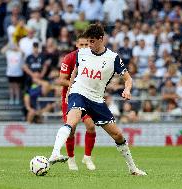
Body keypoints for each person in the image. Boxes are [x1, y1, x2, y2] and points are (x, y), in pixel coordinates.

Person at [48, 24, 147, 176]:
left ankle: (133, 169)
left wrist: (127, 89)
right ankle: (55, 153)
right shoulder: (82, 53)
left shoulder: (113, 58)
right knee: (71, 123)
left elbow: (128, 78)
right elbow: (74, 72)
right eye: (88, 41)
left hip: (96, 100)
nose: (90, 45)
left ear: (101, 39)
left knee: (118, 135)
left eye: (93, 41)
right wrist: (69, 91)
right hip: (79, 93)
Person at [56, 33, 96, 171]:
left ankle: (87, 157)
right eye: (82, 45)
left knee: (91, 126)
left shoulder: (94, 58)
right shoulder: (69, 58)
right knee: (71, 129)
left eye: (87, 44)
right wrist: (77, 84)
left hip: (87, 97)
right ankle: (71, 159)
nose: (85, 47)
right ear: (77, 45)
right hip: (70, 98)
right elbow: (61, 80)